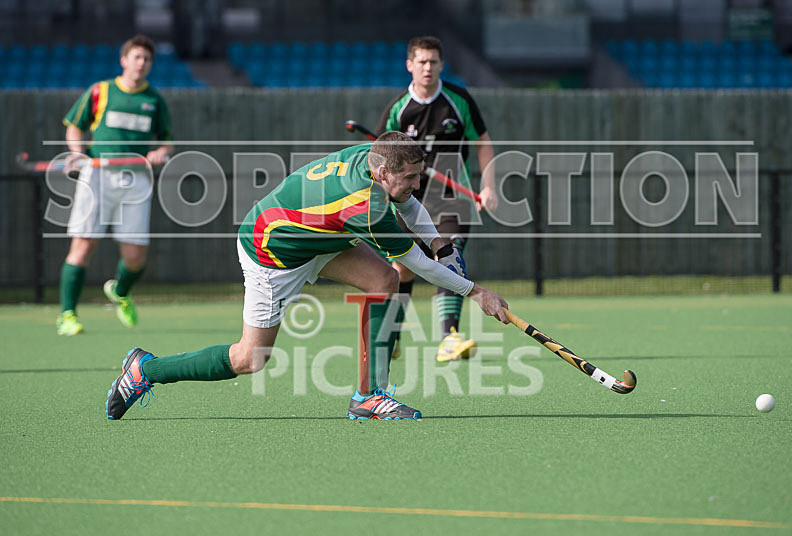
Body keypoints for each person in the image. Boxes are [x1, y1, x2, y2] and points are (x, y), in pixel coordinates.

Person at [104, 132, 508, 421]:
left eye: (420, 175)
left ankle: (368, 397)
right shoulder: (366, 206)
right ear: (383, 172)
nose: (418, 184)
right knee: (251, 358)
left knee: (383, 281)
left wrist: (439, 243)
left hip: (315, 235)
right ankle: (145, 370)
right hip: (272, 250)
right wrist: (477, 293)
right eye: (410, 178)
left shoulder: (369, 157)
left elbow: (409, 205)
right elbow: (417, 265)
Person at [376, 36, 498, 363]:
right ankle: (393, 336)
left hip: (451, 199)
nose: (427, 67)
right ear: (410, 65)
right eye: (421, 61)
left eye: (433, 61)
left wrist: (488, 186)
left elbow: (482, 142)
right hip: (406, 201)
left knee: (449, 255)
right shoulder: (398, 110)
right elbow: (378, 157)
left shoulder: (458, 101)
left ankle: (449, 337)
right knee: (401, 269)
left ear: (441, 65)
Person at [56, 34, 172, 336]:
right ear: (124, 60)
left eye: (147, 59)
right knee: (83, 246)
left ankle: (120, 292)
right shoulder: (101, 91)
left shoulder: (154, 100)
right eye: (136, 57)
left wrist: (160, 152)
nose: (141, 63)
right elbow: (74, 126)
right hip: (96, 177)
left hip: (136, 180)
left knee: (135, 259)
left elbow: (165, 141)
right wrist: (77, 153)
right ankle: (67, 314)